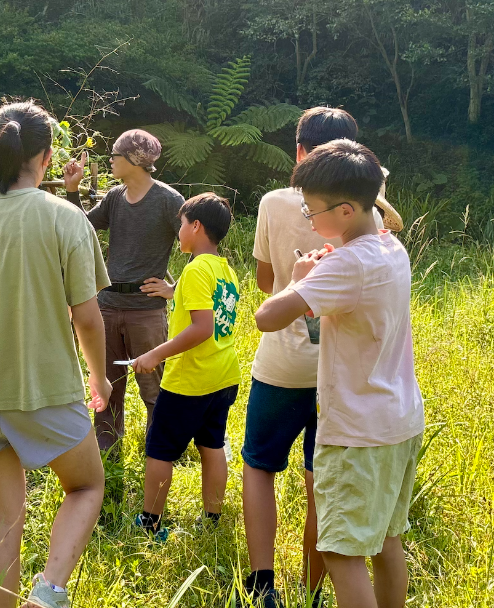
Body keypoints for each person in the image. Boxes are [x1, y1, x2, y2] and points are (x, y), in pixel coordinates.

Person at [0, 100, 112, 608]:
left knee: (1, 519)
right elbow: (88, 317)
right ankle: (49, 592)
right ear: (47, 158)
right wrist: (99, 379)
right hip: (47, 391)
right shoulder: (64, 218)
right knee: (86, 487)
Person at [254, 140, 425, 608]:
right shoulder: (391, 248)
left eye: (311, 211)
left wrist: (298, 277)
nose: (309, 220)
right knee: (387, 542)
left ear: (346, 210)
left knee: (340, 552)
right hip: (400, 421)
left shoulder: (347, 264)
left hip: (356, 433)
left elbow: (267, 316)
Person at [239, 107, 374, 607]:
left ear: (299, 151)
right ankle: (315, 588)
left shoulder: (275, 202)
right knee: (320, 479)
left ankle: (261, 586)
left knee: (259, 465)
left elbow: (263, 278)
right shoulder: (366, 213)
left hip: (280, 364)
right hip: (338, 372)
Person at [65, 130, 184, 463]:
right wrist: (72, 191)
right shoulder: (116, 198)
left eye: (115, 154)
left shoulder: (168, 200)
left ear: (134, 159)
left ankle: (159, 457)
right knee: (106, 388)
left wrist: (175, 289)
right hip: (107, 306)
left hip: (146, 311)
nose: (110, 161)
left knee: (153, 391)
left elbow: (196, 245)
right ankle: (107, 457)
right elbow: (82, 229)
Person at [129, 192, 241, 541]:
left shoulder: (194, 269)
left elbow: (201, 327)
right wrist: (172, 293)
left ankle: (150, 525)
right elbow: (207, 309)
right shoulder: (224, 269)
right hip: (223, 376)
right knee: (212, 446)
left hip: (190, 380)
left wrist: (155, 355)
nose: (178, 232)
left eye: (180, 224)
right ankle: (211, 521)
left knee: (160, 448)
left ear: (196, 225)